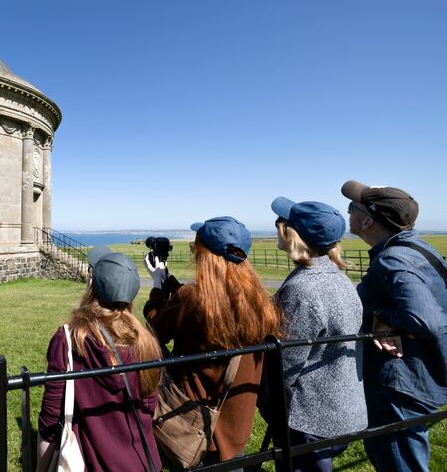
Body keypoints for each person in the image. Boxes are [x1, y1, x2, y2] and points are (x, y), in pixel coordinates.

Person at [143, 216, 281, 467]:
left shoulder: (192, 301)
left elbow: (156, 327)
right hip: (235, 426)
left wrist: (156, 285)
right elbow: (215, 297)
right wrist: (171, 282)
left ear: (205, 255)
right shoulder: (261, 302)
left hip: (193, 426)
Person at [341, 180, 447, 472]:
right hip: (421, 376)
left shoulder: (392, 259)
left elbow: (425, 319)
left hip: (399, 387)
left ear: (366, 220)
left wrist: (381, 314)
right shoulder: (419, 248)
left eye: (352, 208)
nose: (347, 212)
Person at [37, 248, 163, 472]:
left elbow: (50, 423)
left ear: (92, 288)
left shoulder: (70, 339)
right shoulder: (146, 343)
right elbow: (149, 409)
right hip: (142, 462)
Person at [271, 197, 367, 471]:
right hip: (342, 408)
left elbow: (287, 364)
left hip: (310, 418)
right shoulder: (338, 277)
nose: (277, 226)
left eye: (281, 223)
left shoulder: (303, 289)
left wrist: (271, 405)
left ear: (292, 234)